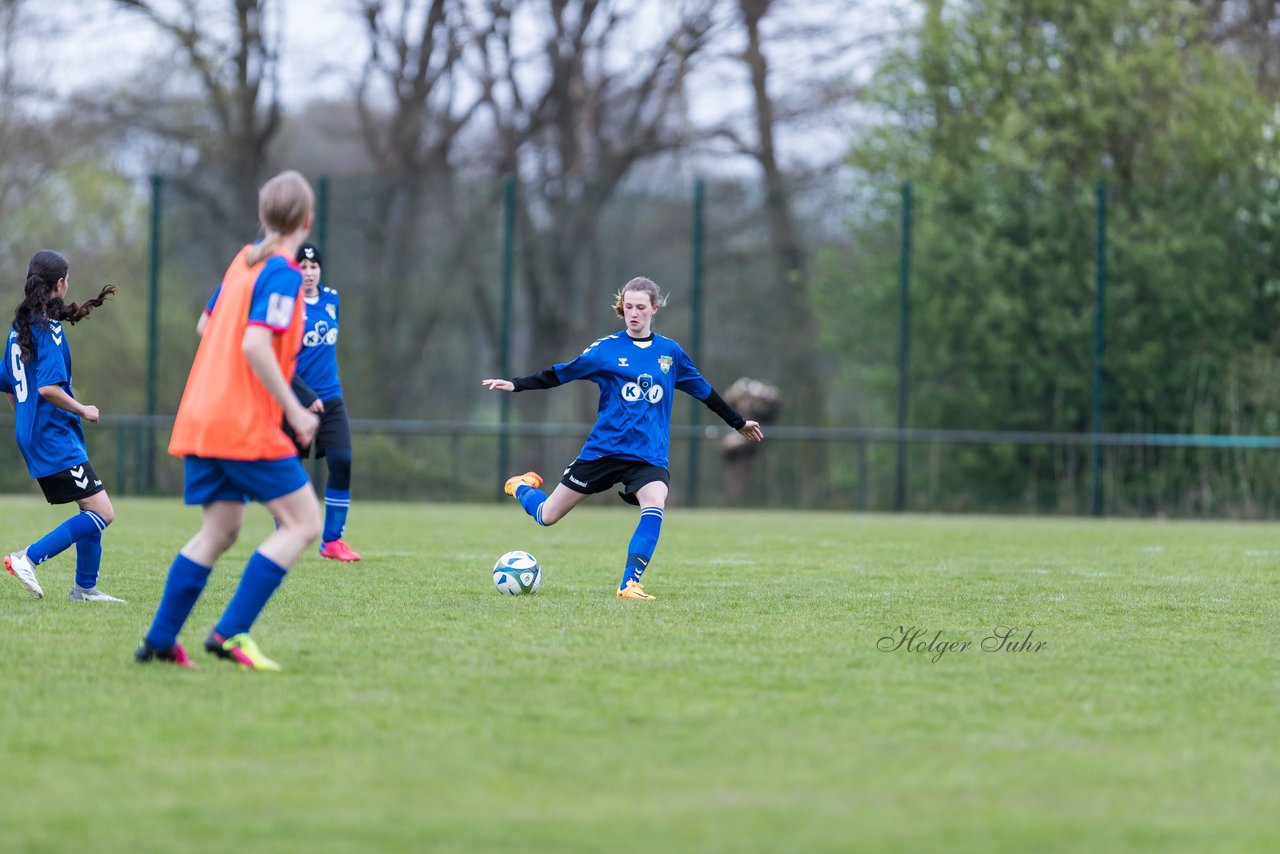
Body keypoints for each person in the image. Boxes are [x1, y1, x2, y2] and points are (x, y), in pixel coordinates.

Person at [135, 170, 322, 670]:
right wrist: (294, 409)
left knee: (220, 531)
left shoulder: (244, 260)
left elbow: (206, 324)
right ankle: (229, 633)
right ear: (307, 220)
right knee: (305, 522)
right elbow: (255, 343)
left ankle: (159, 639)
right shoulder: (281, 271)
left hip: (201, 417)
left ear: (263, 217)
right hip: (241, 425)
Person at [481, 276, 764, 600]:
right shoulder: (605, 350)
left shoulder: (670, 354)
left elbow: (706, 393)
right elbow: (561, 372)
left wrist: (738, 423)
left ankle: (629, 583)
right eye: (628, 306)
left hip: (648, 454)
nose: (633, 313)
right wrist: (516, 384)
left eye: (641, 307)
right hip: (603, 450)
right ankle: (519, 486)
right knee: (547, 516)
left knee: (655, 501)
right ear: (622, 308)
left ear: (654, 309)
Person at [197, 242, 361, 562]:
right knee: (290, 470)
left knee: (342, 460)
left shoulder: (332, 299)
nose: (309, 272)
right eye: (303, 266)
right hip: (292, 399)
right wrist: (302, 395)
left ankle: (332, 541)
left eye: (314, 267)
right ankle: (286, 533)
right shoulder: (284, 303)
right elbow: (271, 353)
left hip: (331, 399)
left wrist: (321, 394)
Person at [2, 250, 121, 602]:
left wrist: (27, 418)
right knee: (103, 512)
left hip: (37, 433)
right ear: (59, 284)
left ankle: (85, 589)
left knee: (89, 507)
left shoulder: (18, 328)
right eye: (67, 280)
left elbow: (9, 386)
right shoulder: (47, 329)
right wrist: (83, 408)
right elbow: (47, 388)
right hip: (52, 436)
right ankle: (29, 557)